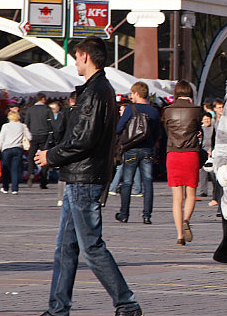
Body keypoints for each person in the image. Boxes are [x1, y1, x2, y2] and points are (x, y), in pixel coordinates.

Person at [33, 36, 142, 316]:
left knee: (91, 247)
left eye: (76, 57)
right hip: (78, 177)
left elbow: (83, 139)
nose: (75, 63)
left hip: (85, 178)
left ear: (85, 56)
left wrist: (51, 156)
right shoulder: (98, 89)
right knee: (65, 248)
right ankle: (58, 308)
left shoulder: (95, 92)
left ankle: (127, 303)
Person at [115, 81, 161, 224]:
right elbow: (158, 132)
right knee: (147, 182)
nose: (131, 96)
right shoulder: (154, 111)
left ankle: (124, 214)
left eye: (132, 93)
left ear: (136, 93)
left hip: (131, 149)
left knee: (127, 182)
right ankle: (147, 216)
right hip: (147, 149)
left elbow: (119, 128)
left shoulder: (130, 109)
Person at [162, 80, 202, 245]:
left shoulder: (168, 110)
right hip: (191, 153)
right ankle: (186, 220)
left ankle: (179, 236)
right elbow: (198, 129)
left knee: (176, 198)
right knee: (190, 194)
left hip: (173, 154)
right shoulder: (196, 110)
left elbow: (167, 131)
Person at [0, 110, 31, 194]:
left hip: (6, 149)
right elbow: (30, 137)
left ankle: (5, 187)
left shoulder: (5, 126)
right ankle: (15, 189)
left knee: (6, 169)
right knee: (15, 169)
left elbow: (1, 139)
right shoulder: (23, 126)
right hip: (18, 149)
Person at [25, 92, 55, 189]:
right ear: (43, 99)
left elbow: (26, 123)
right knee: (44, 156)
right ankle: (43, 180)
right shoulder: (47, 109)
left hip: (33, 135)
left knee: (31, 156)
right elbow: (52, 123)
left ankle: (31, 172)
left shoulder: (30, 109)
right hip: (45, 135)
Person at [196, 112, 215, 198]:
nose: (207, 121)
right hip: (203, 153)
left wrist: (211, 150)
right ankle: (203, 191)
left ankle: (215, 193)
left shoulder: (213, 129)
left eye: (208, 119)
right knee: (202, 174)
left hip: (212, 153)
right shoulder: (200, 129)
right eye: (205, 119)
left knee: (213, 175)